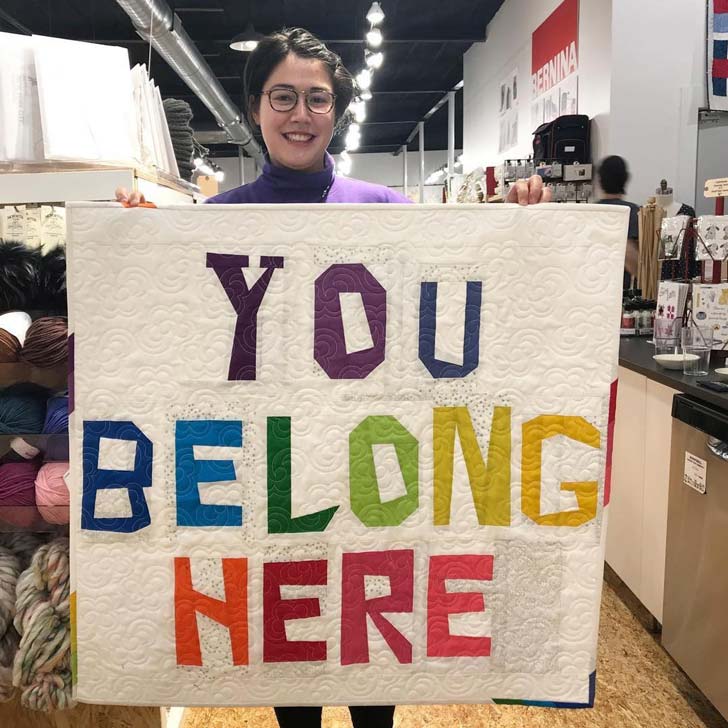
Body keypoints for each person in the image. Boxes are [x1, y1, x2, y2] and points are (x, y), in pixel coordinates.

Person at [117, 26, 550, 728]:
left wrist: (527, 226)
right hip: (275, 475)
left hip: (372, 467)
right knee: (297, 644)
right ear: (256, 106)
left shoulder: (386, 212)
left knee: (372, 646)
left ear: (337, 109)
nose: (300, 114)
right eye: (283, 96)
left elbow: (472, 284)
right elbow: (169, 329)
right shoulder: (213, 223)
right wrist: (133, 245)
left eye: (317, 98)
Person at [595, 155, 639, 287]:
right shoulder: (632, 211)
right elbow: (631, 256)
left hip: (593, 284)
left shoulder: (591, 211)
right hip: (620, 291)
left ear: (600, 180)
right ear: (626, 178)